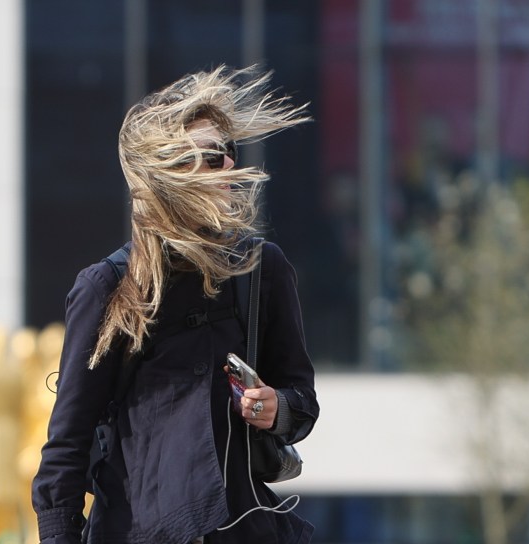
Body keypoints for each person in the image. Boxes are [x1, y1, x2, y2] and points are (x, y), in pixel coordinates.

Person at [32, 65, 319, 543]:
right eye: (211, 156)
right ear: (168, 174)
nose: (229, 165)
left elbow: (301, 400)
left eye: (229, 153)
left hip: (243, 529)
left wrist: (276, 407)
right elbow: (64, 453)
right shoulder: (105, 287)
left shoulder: (262, 269)